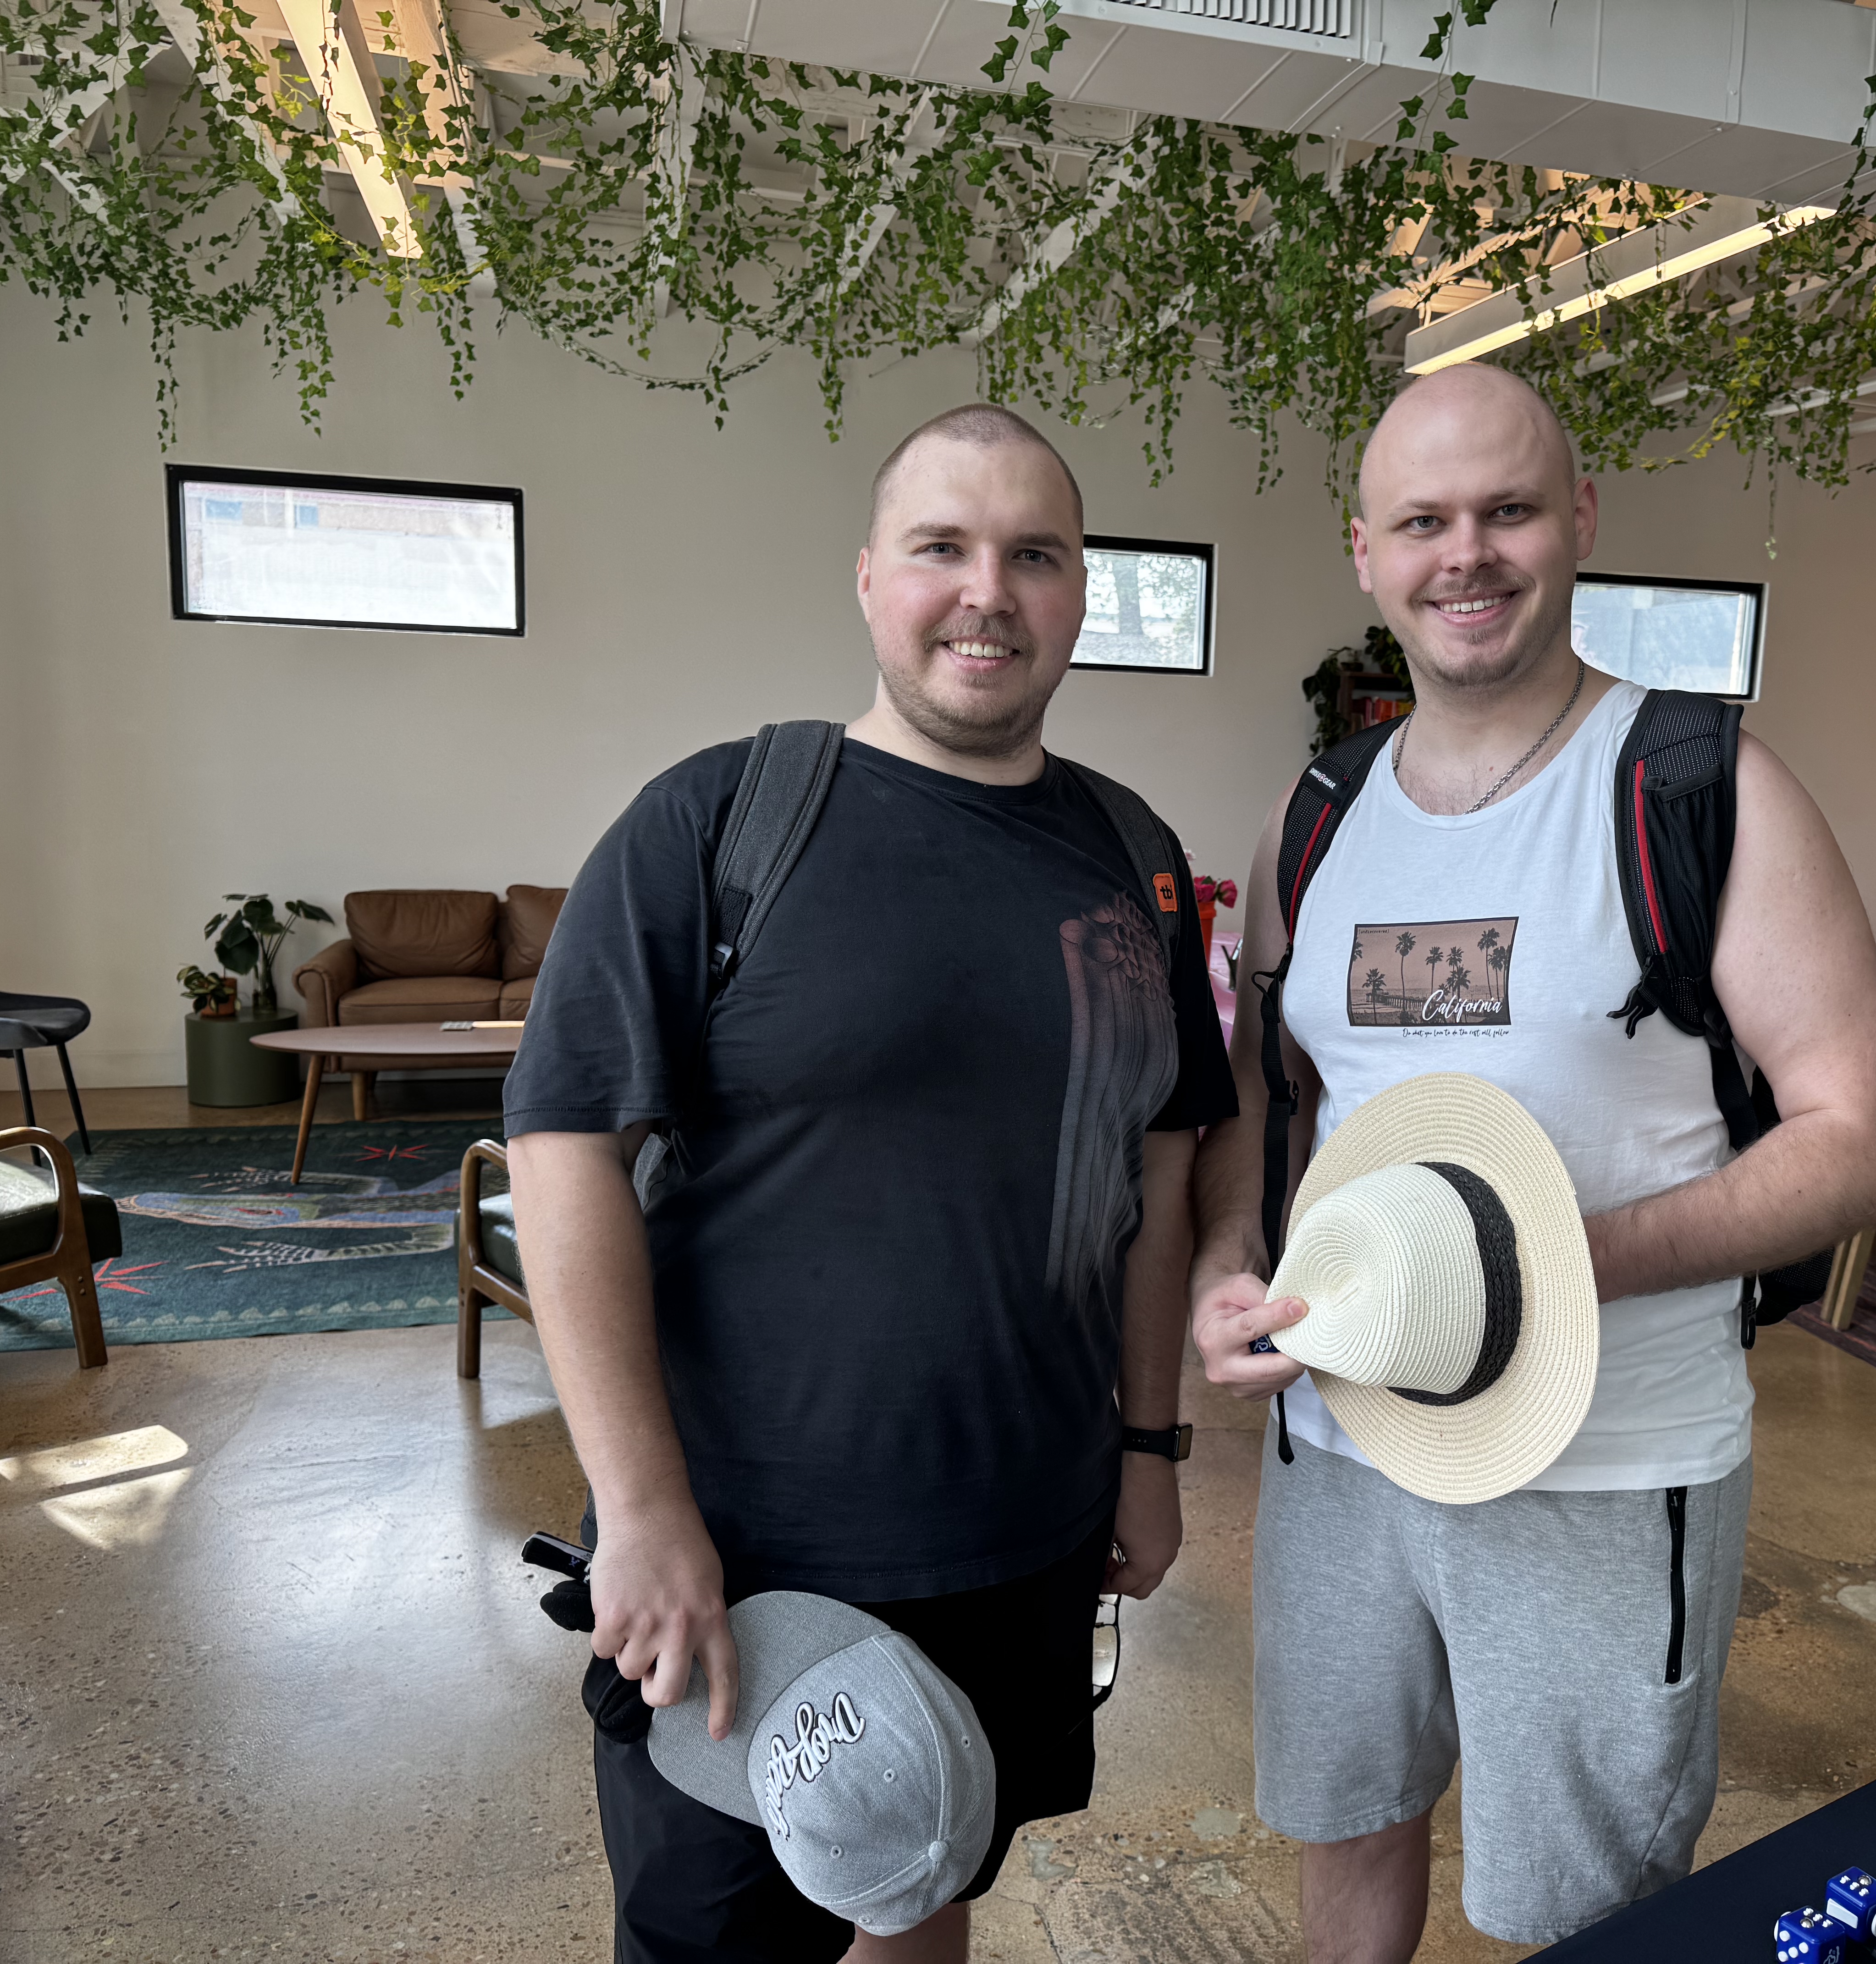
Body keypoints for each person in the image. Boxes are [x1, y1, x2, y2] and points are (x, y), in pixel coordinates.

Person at [1186, 364, 1876, 1958]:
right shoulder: (1317, 813)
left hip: (1603, 1462)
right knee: (1346, 1825)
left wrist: (1549, 1260)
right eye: (1425, 521)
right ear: (1365, 552)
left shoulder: (1698, 787)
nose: (1468, 554)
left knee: (1581, 1911)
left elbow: (1869, 1138)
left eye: (1509, 510)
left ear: (1578, 520)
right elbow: (1262, 1074)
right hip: (1343, 1442)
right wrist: (1219, 1269)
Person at [503, 403, 1236, 1964]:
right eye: (943, 548)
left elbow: (1161, 1164)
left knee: (922, 1879)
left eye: (1033, 554)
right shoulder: (720, 824)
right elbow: (564, 1144)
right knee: (715, 1939)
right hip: (742, 1555)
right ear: (867, 581)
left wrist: (1148, 1444)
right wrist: (639, 1509)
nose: (990, 591)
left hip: (1018, 1528)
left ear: (1080, 591)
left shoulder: (1134, 857)